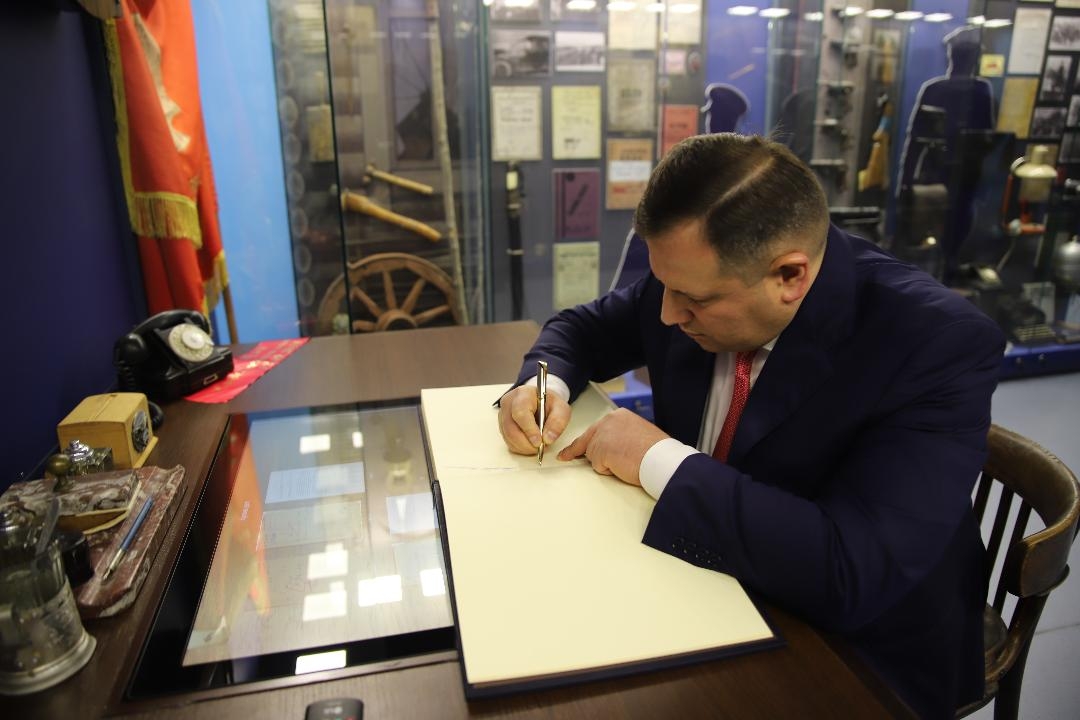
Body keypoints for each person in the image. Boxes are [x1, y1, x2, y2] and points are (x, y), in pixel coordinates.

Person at [498, 133, 1005, 719]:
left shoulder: (931, 343)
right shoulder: (695, 276)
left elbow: (851, 573)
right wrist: (544, 387)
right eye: (664, 286)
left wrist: (657, 457)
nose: (667, 313)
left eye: (691, 299)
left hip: (856, 647)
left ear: (789, 275)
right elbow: (579, 330)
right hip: (709, 574)